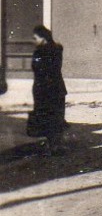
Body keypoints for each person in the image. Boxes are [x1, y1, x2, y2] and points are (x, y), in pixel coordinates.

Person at [28, 26, 67, 154]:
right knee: (56, 116)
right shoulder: (57, 49)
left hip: (45, 89)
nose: (33, 41)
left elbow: (38, 69)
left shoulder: (41, 52)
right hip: (56, 88)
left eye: (35, 38)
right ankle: (56, 145)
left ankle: (52, 145)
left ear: (43, 38)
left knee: (47, 117)